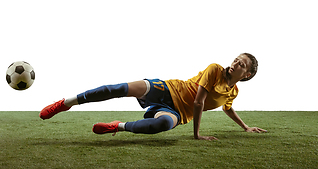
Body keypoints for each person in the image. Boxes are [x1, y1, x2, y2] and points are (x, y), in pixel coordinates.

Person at [40, 53, 267, 140]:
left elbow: (227, 107)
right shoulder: (215, 69)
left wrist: (245, 126)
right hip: (168, 89)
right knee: (117, 88)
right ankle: (66, 102)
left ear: (246, 75)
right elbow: (198, 101)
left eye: (242, 64)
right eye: (237, 58)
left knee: (162, 125)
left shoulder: (233, 91)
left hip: (177, 112)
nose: (235, 62)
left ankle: (117, 126)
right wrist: (197, 135)